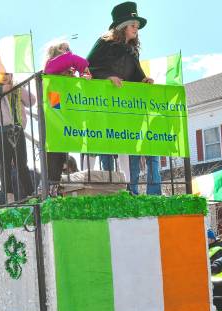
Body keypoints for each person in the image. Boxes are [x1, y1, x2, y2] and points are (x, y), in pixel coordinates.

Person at [87, 1, 158, 195]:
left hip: (124, 107)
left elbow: (135, 75)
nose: (137, 29)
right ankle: (107, 189)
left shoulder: (132, 50)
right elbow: (89, 67)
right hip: (104, 104)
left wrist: (144, 81)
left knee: (128, 145)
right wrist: (108, 76)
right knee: (105, 146)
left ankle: (130, 190)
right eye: (133, 25)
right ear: (122, 26)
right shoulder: (105, 43)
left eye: (137, 26)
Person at [0, 72, 35, 203]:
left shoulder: (17, 88)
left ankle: (30, 193)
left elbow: (32, 101)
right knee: (5, 164)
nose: (5, 76)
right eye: (1, 73)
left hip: (16, 129)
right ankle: (8, 195)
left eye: (8, 73)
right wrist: (0, 90)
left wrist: (18, 87)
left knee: (22, 163)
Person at [43, 40, 91, 184]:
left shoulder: (71, 76)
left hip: (66, 123)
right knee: (54, 158)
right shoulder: (50, 69)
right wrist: (83, 66)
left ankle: (57, 189)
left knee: (62, 157)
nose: (68, 51)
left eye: (69, 49)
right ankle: (51, 189)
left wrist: (84, 80)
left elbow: (78, 96)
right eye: (63, 49)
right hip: (54, 120)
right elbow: (55, 104)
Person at [207, 229, 222, 311]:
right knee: (215, 303)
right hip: (214, 280)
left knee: (218, 304)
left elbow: (217, 265)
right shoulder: (211, 247)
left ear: (211, 239)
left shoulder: (218, 248)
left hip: (219, 280)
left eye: (207, 238)